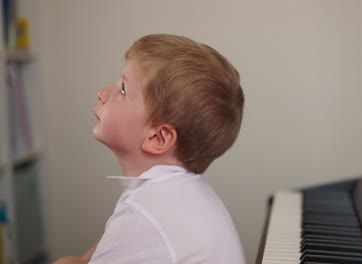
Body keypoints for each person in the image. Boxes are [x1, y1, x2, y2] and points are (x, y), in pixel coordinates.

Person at [53, 34, 245, 264]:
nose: (102, 93)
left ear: (158, 137)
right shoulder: (177, 198)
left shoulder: (144, 215)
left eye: (122, 90)